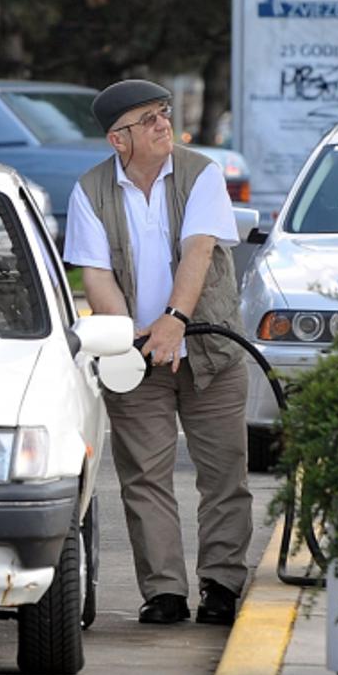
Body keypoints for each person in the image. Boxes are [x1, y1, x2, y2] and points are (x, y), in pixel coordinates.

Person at [63, 79, 253, 626]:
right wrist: (129, 339)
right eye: (148, 119)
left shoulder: (201, 174)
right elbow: (96, 277)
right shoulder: (90, 191)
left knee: (224, 473)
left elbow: (199, 251)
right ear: (117, 140)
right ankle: (164, 592)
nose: (163, 124)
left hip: (209, 349)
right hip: (135, 356)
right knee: (143, 476)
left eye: (163, 113)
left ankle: (221, 585)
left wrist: (174, 321)